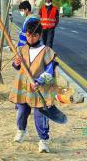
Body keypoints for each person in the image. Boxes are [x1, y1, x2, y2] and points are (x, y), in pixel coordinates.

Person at [9, 20, 57, 153]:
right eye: (29, 35)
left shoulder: (46, 51)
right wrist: (16, 63)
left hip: (39, 89)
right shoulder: (22, 49)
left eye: (34, 35)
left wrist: (39, 81)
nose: (31, 38)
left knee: (40, 115)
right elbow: (17, 67)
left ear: (40, 35)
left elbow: (50, 71)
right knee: (22, 111)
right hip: (24, 88)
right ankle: (21, 130)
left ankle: (43, 140)